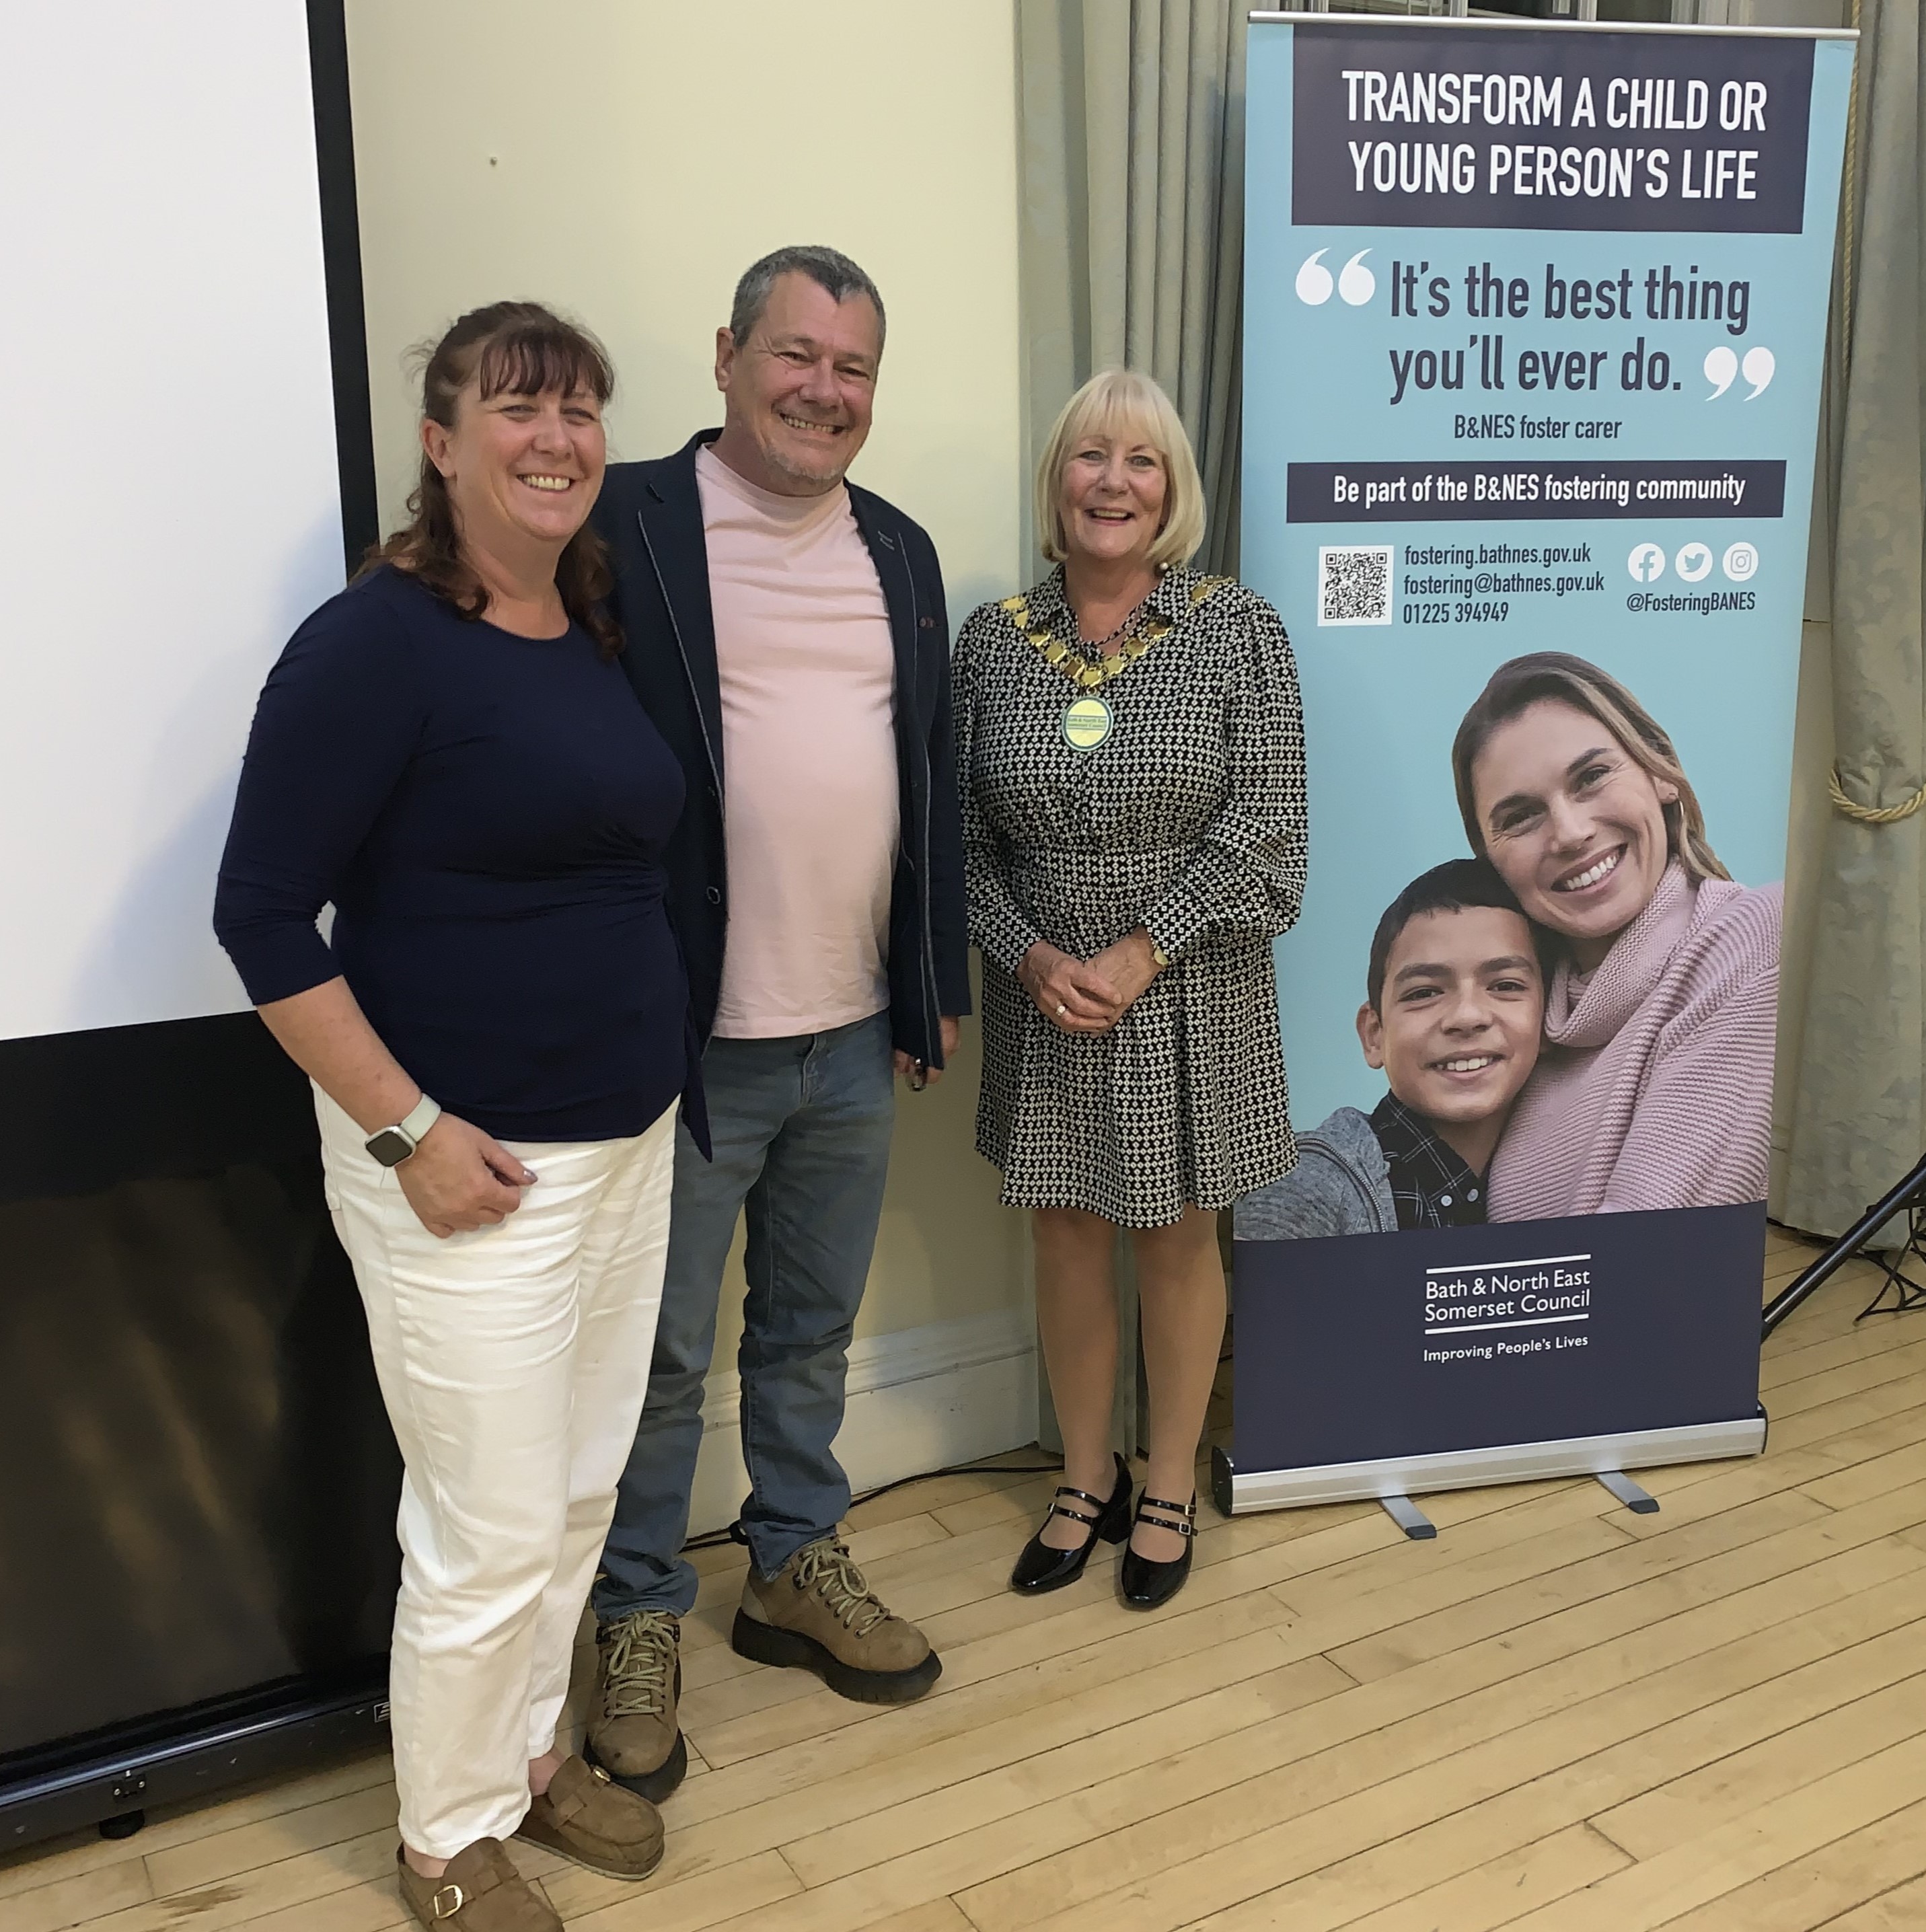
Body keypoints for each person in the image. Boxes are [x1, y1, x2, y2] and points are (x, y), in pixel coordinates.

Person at [214, 303, 688, 1932]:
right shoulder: (375, 644)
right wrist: (409, 1128)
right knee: (485, 1529)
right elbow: (265, 920)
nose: (556, 438)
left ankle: (530, 1760)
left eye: (579, 411)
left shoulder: (590, 621)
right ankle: (443, 1840)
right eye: (517, 407)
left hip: (624, 1148)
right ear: (441, 439)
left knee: (571, 1495)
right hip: (467, 1170)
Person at [581, 246, 969, 1801]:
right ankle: (636, 1611)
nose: (825, 389)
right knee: (660, 1361)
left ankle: (795, 1561)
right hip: (683, 1042)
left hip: (852, 1027)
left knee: (810, 1330)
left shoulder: (900, 546)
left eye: (855, 368)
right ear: (729, 355)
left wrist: (929, 976)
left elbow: (921, 774)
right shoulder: (623, 524)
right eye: (796, 354)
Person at [953, 367, 1306, 1612]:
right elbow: (961, 846)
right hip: (1044, 986)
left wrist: (1139, 948)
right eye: (1090, 457)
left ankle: (1164, 1477)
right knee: (1063, 1224)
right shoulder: (992, 638)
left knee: (1173, 1229)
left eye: (1141, 461)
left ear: (1173, 491)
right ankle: (1084, 1473)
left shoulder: (1237, 628)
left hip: (1187, 982)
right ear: (1057, 483)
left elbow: (1270, 830)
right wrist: (1034, 954)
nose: (1113, 481)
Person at [1450, 651, 1783, 1219]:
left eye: (1593, 776)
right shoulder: (1519, 1016)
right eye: (1521, 816)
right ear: (1491, 864)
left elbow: (1644, 1258)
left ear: (1660, 773)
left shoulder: (1753, 938)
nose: (1571, 833)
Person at [1236, 860, 1544, 1239]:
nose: (1467, 1016)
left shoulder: (1574, 1177)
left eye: (1506, 985)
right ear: (1373, 1035)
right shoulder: (1306, 1191)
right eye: (1424, 993)